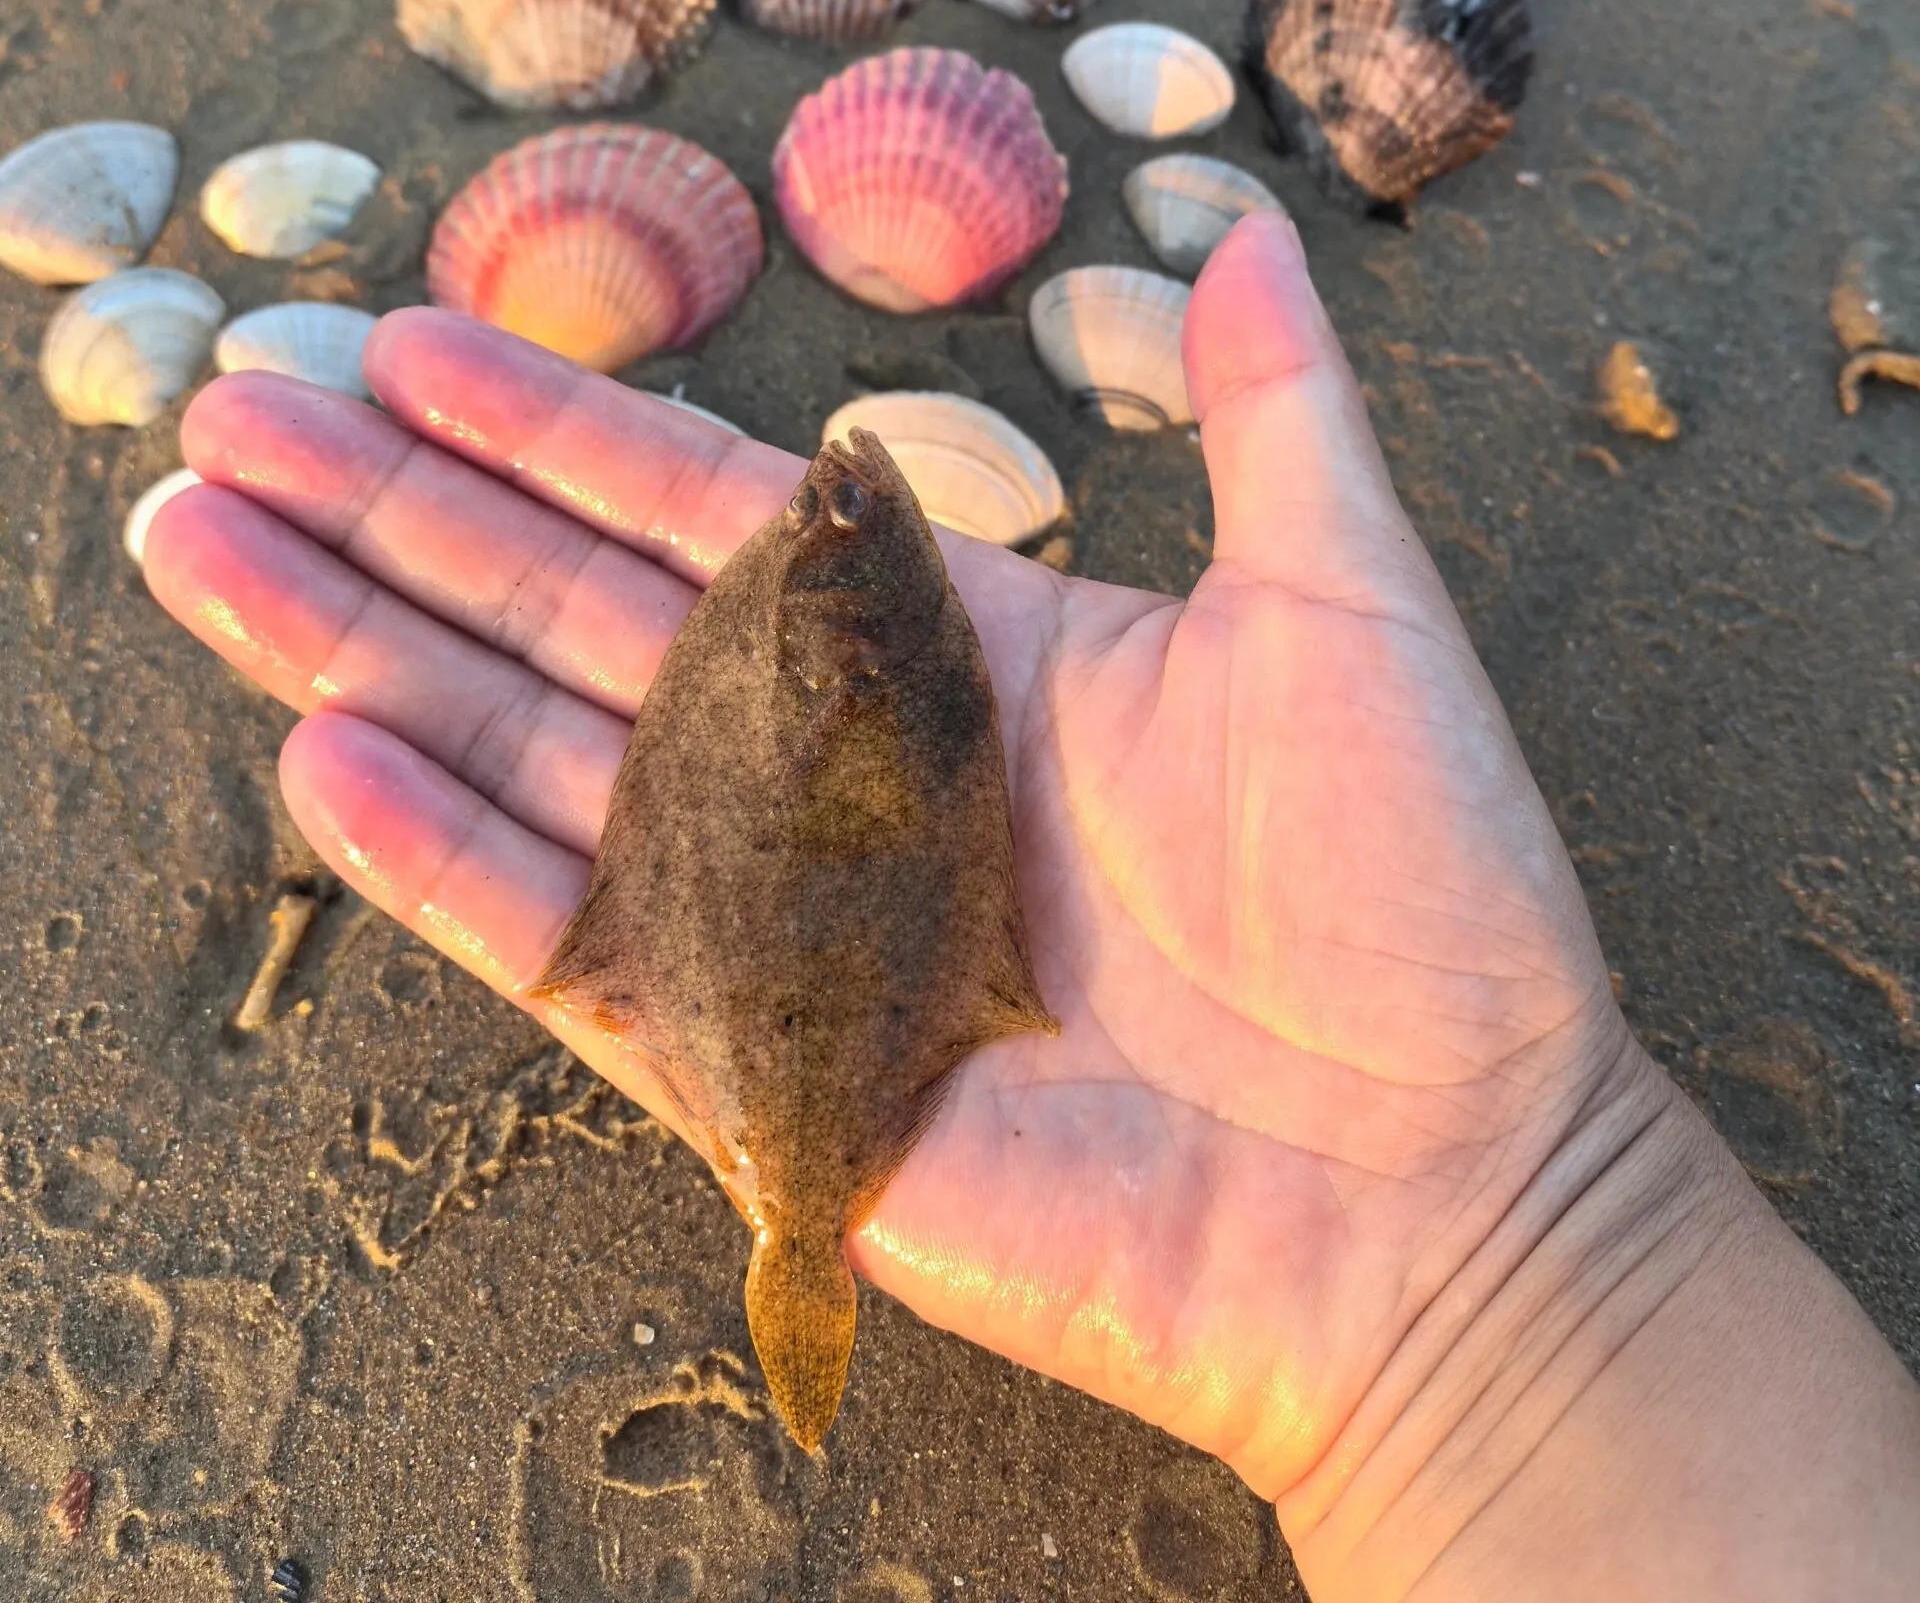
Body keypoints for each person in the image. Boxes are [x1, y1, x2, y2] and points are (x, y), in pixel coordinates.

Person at [143, 211, 1920, 1597]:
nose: (842, 499)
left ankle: (794, 1232)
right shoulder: (880, 646)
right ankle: (799, 1230)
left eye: (839, 527)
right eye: (843, 526)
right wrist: (1533, 1243)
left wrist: (1520, 1235)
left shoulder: (862, 643)